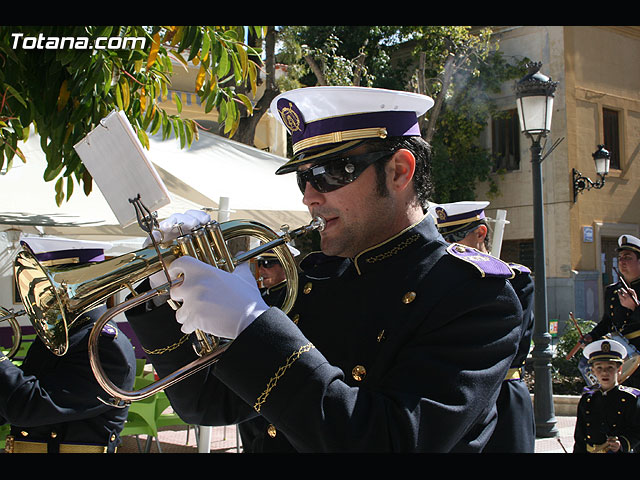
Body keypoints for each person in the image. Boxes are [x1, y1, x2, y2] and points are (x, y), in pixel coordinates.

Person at [124, 86, 523, 452]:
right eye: (303, 179)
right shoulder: (311, 278)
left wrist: (253, 327)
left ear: (400, 171)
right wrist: (159, 292)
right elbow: (205, 403)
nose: (311, 197)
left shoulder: (476, 296)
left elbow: (388, 441)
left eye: (333, 172)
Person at [0, 238, 136, 453]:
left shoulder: (102, 345)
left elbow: (28, 407)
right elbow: (11, 402)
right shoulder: (62, 333)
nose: (36, 298)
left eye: (43, 286)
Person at [434, 200, 536, 453]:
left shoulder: (515, 282)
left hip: (502, 397)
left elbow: (501, 346)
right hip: (454, 400)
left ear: (481, 233)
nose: (447, 246)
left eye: (455, 237)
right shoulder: (437, 286)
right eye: (441, 238)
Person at [581, 234, 640, 388]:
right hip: (621, 355)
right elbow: (607, 321)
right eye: (620, 257)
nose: (622, 261)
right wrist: (591, 336)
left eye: (627, 257)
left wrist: (634, 308)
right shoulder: (613, 290)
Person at [573, 339, 640, 453]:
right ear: (593, 371)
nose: (604, 372)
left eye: (610, 367)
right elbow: (580, 435)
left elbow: (637, 431)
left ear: (619, 369)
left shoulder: (631, 398)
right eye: (599, 367)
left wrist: (622, 444)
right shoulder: (588, 398)